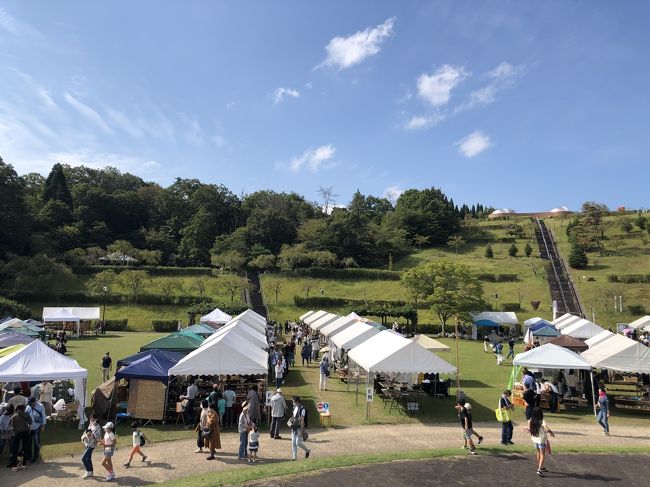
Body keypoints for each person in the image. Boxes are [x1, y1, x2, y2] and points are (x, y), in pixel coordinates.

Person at [527, 407, 555, 477]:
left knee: (538, 452)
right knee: (542, 454)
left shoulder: (531, 420)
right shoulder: (542, 420)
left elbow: (530, 429)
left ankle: (541, 467)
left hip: (534, 439)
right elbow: (546, 429)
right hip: (541, 440)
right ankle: (539, 469)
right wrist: (551, 432)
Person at [9, 404, 32, 471]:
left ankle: (15, 466)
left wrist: (13, 434)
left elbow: (11, 427)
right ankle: (23, 465)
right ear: (24, 409)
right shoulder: (26, 414)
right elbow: (30, 422)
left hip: (16, 434)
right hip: (25, 433)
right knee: (25, 448)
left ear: (17, 409)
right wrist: (29, 430)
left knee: (15, 449)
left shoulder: (14, 416)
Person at [80, 414, 102, 478]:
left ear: (96, 419)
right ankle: (91, 472)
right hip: (87, 443)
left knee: (83, 458)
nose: (91, 421)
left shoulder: (98, 427)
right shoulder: (90, 424)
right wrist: (85, 435)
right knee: (88, 458)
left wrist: (92, 436)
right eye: (91, 419)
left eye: (93, 420)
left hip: (92, 445)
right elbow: (86, 432)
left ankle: (88, 471)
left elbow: (97, 439)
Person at [26, 396, 46, 463]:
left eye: (31, 403)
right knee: (28, 442)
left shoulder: (41, 406)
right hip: (29, 427)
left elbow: (43, 416)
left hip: (37, 426)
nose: (30, 405)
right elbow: (26, 415)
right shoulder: (28, 406)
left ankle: (35, 457)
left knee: (36, 442)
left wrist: (43, 425)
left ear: (34, 402)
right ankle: (29, 456)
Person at [289, 396, 310, 460]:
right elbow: (293, 417)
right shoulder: (294, 407)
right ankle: (294, 457)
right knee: (293, 443)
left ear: (297, 402)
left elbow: (302, 420)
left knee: (298, 443)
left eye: (293, 402)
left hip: (299, 428)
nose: (293, 403)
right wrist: (290, 420)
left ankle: (307, 450)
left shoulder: (302, 409)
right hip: (294, 427)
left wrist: (302, 430)